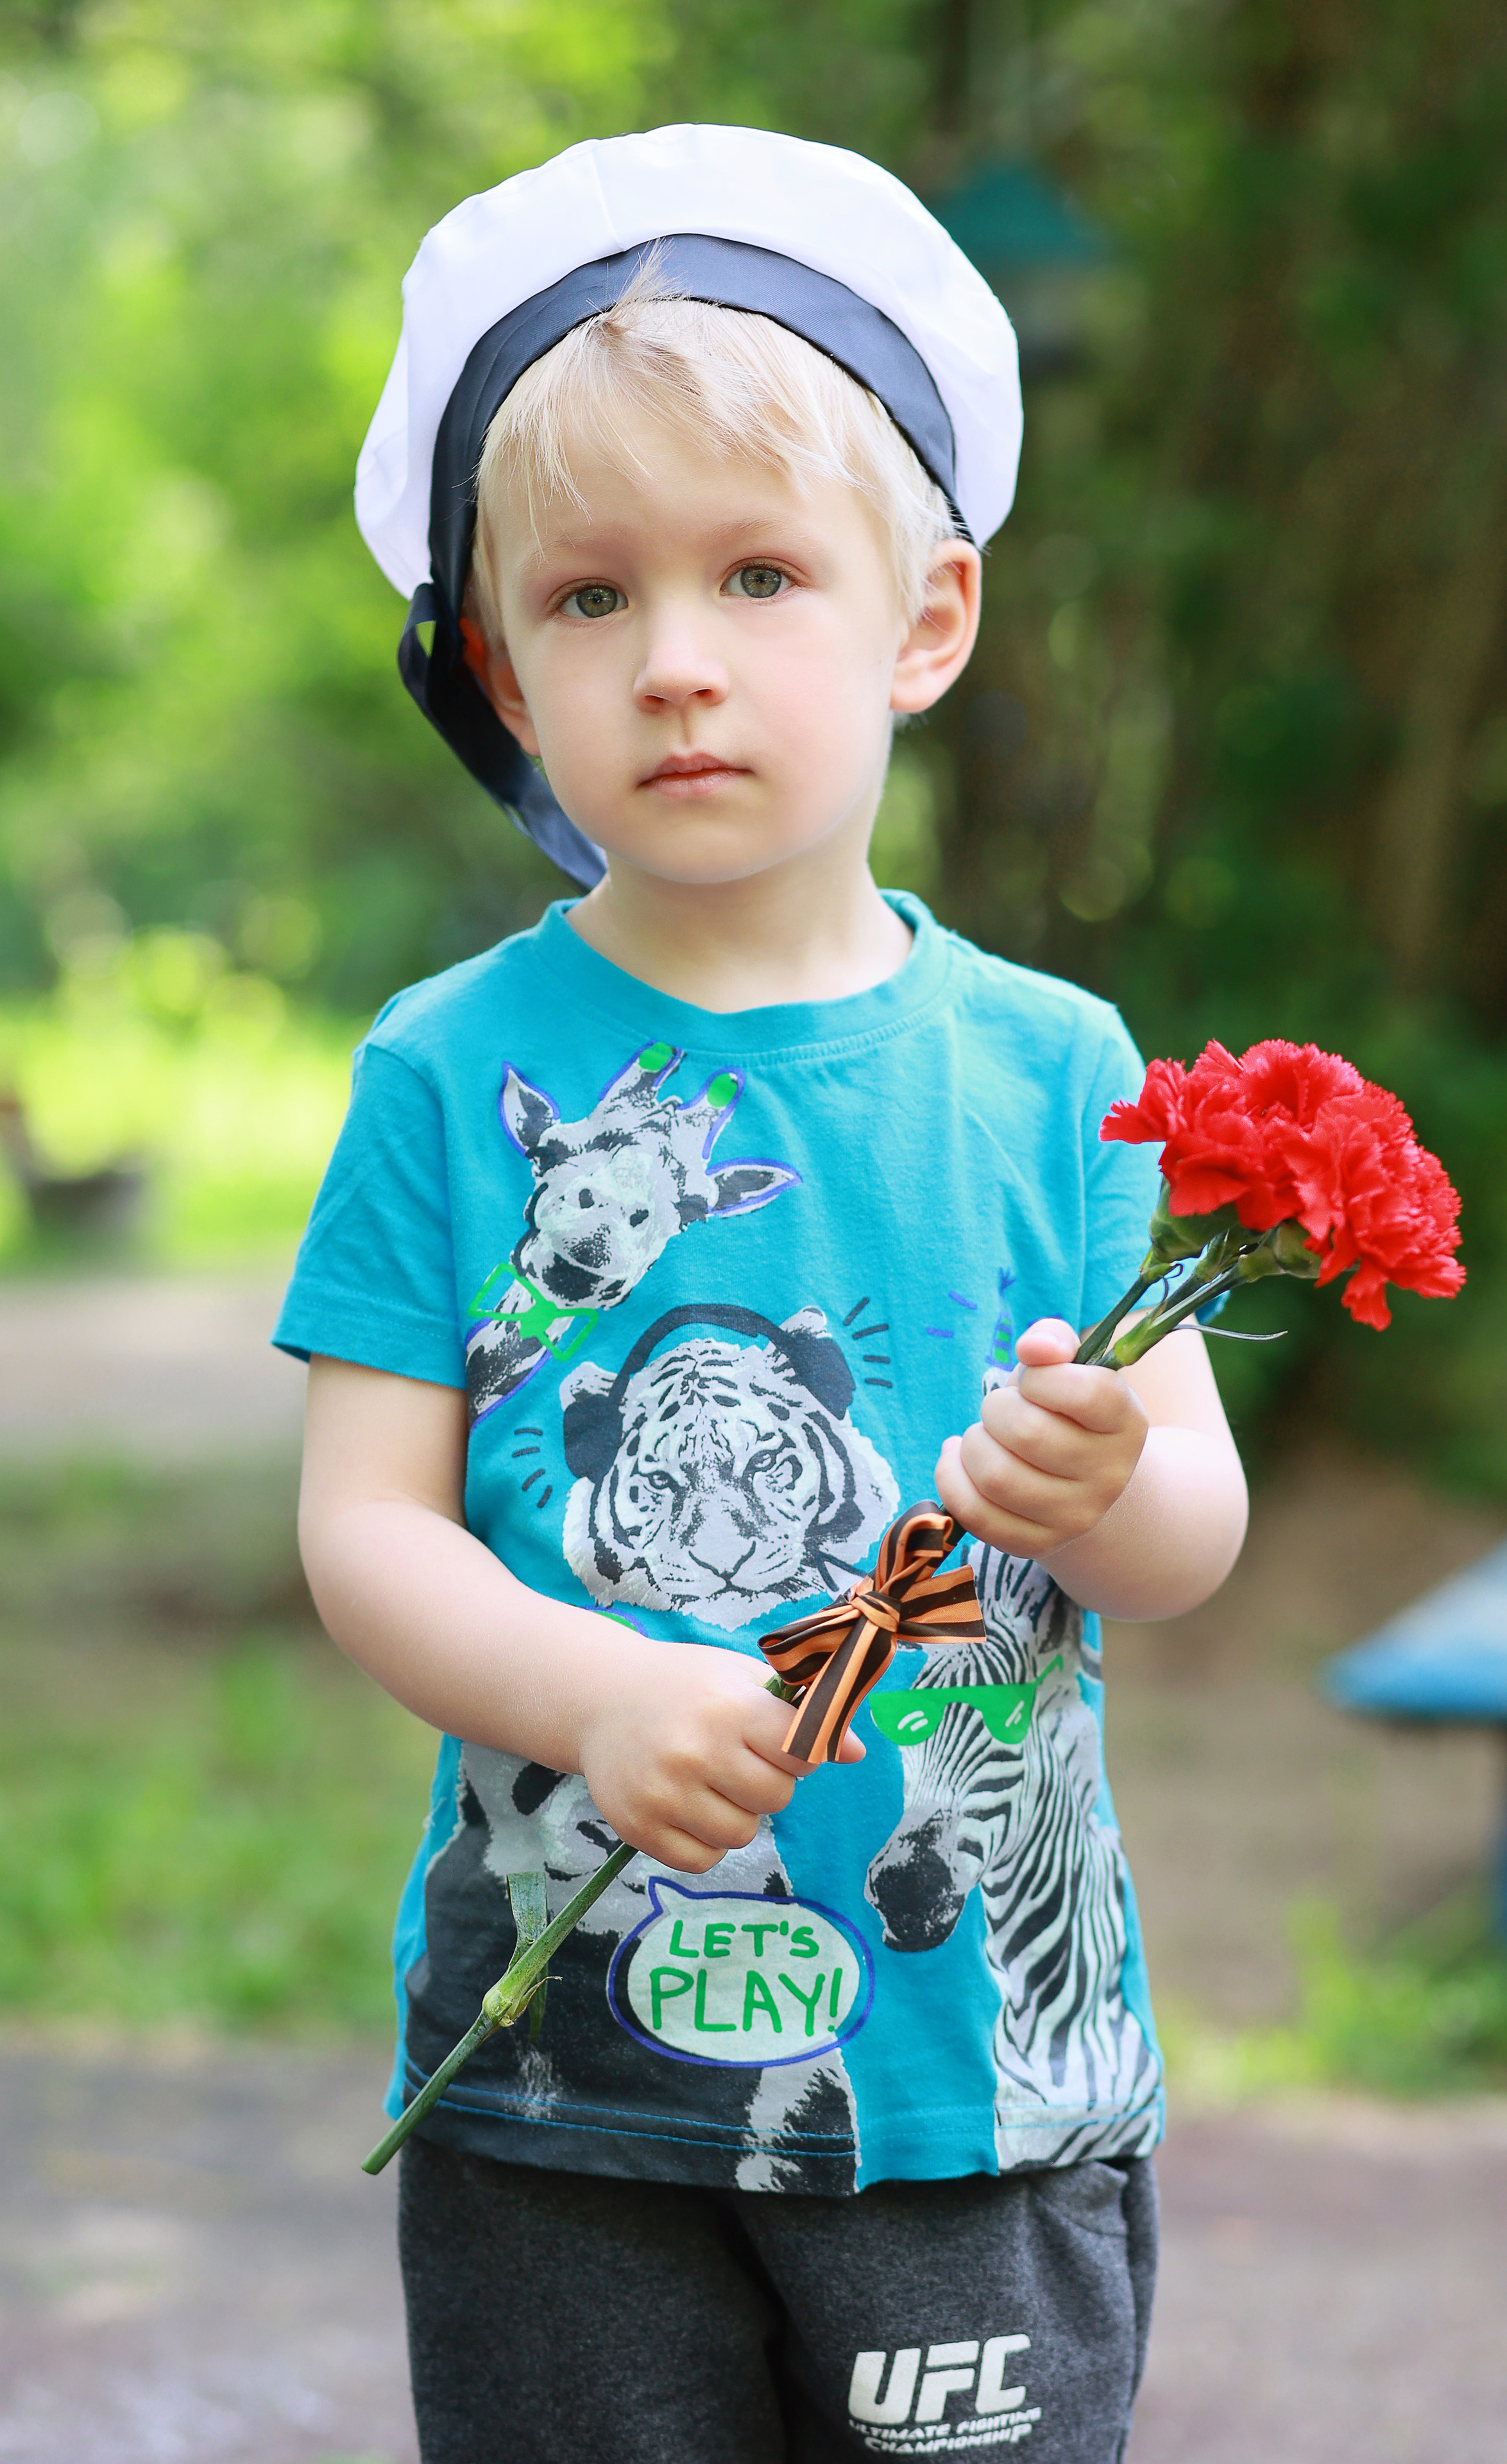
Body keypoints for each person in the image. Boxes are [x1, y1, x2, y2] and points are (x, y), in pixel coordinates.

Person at [279, 124, 1248, 2464]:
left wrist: (1111, 1472)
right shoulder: (450, 1072)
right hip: (561, 2098)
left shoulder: (1054, 1073)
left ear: (925, 617)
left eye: (759, 575)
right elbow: (367, 1530)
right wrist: (603, 1691)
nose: (680, 662)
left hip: (964, 2095)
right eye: (592, 602)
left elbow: (1190, 1536)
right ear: (504, 673)